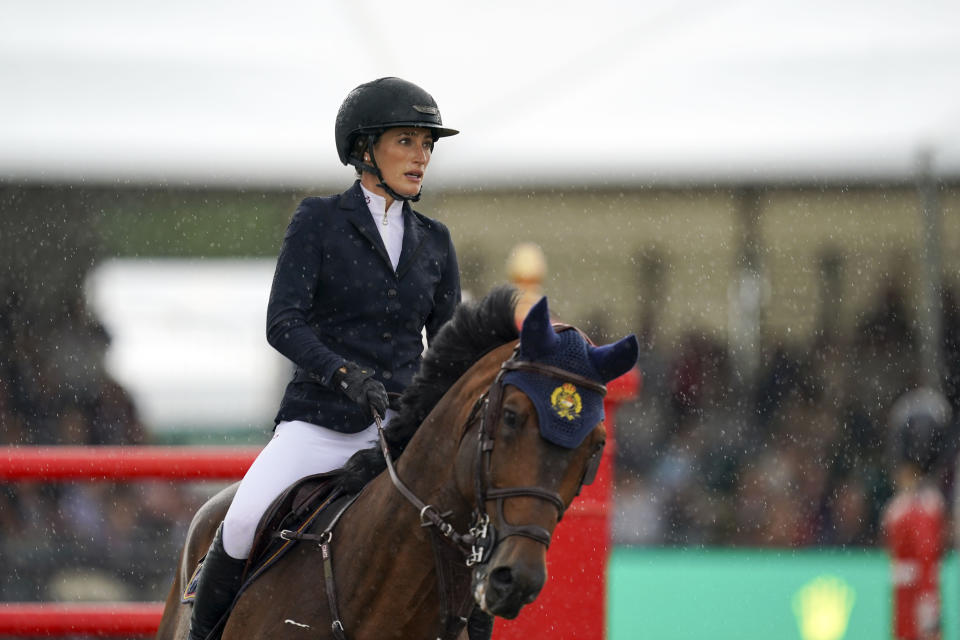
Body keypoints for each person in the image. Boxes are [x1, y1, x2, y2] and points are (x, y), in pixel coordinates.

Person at [188, 77, 461, 640]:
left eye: (428, 144)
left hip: (399, 435)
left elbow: (449, 348)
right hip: (320, 422)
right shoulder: (319, 220)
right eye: (407, 141)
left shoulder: (436, 241)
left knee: (467, 537)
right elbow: (283, 322)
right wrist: (344, 374)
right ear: (365, 149)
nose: (422, 156)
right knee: (239, 523)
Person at [881, 387, 952, 640]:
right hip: (906, 623)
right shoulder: (910, 508)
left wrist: (929, 624)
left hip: (914, 627)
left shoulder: (919, 510)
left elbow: (925, 570)